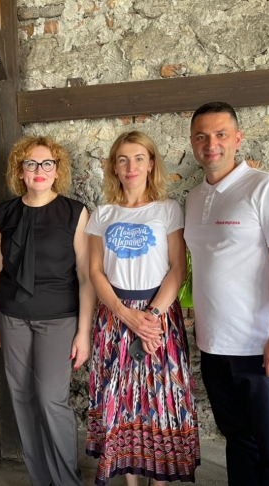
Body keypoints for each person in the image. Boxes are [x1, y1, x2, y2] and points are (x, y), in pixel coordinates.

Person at [184, 102, 269, 486]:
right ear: (192, 142)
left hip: (261, 346)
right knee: (238, 441)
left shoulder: (268, 188)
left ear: (238, 139)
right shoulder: (194, 197)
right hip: (215, 346)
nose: (211, 144)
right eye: (201, 136)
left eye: (220, 134)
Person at [85, 131, 200, 486]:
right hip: (114, 316)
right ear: (114, 167)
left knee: (160, 400)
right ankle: (130, 481)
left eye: (138, 158)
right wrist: (125, 314)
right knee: (121, 400)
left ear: (151, 164)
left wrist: (150, 317)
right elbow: (94, 271)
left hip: (159, 315)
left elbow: (177, 269)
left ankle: (159, 480)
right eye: (122, 159)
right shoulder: (103, 214)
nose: (130, 166)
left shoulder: (167, 209)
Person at [0, 136, 95, 486]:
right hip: (11, 317)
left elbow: (85, 276)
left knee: (50, 399)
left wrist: (84, 332)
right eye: (30, 163)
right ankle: (41, 479)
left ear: (57, 170)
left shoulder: (75, 213)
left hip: (59, 318)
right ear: (20, 171)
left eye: (47, 163)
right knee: (21, 398)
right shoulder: (4, 213)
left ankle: (67, 481)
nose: (39, 170)